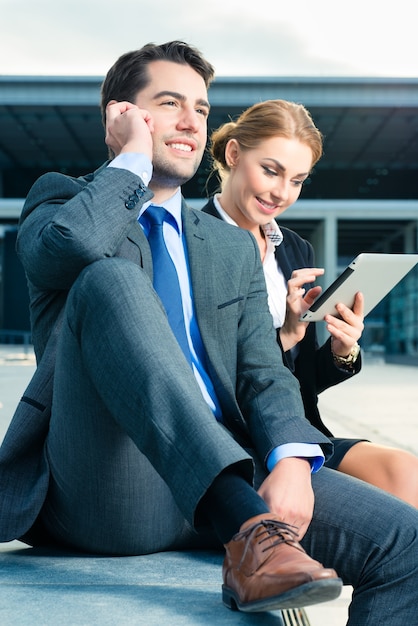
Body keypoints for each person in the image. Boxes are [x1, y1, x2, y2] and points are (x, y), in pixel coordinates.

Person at [0, 42, 417, 624]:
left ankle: (248, 526)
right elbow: (71, 248)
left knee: (408, 542)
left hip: (239, 463)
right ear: (122, 116)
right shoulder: (61, 202)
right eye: (169, 103)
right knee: (110, 280)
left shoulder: (228, 245)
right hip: (116, 479)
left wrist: (294, 461)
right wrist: (132, 162)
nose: (192, 120)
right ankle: (245, 528)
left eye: (200, 106)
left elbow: (261, 370)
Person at [201, 98, 418, 507]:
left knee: (406, 473)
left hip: (302, 429)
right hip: (235, 438)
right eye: (271, 170)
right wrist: (282, 336)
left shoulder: (296, 250)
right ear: (234, 154)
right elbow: (196, 370)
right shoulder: (191, 243)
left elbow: (301, 380)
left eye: (297, 180)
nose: (281, 193)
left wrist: (341, 350)